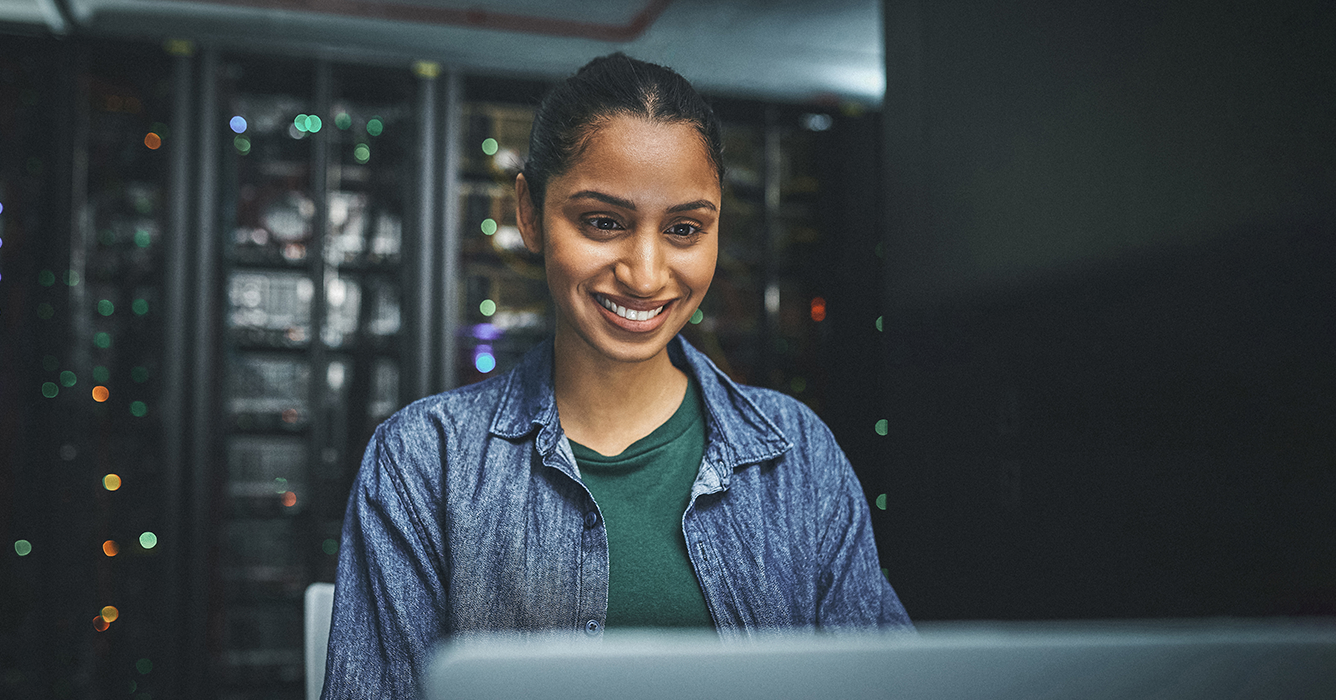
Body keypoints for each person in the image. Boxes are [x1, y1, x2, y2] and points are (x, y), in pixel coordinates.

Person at [322, 53, 909, 698]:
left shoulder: (800, 455)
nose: (645, 274)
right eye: (603, 222)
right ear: (529, 213)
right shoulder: (422, 464)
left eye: (685, 229)